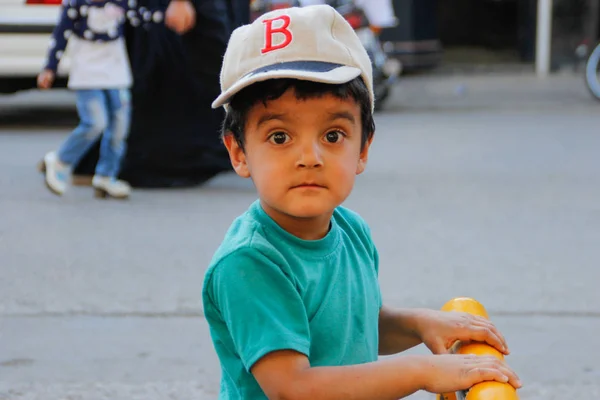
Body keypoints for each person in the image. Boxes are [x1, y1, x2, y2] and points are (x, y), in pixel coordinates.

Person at [202, 5, 522, 400]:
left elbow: (355, 326)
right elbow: (292, 386)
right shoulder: (250, 262)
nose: (310, 157)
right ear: (238, 152)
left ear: (363, 149)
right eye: (280, 137)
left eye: (333, 135)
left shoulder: (351, 230)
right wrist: (422, 371)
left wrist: (422, 325)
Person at [38, 0, 165, 198]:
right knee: (95, 123)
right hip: (87, 73)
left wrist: (163, 16)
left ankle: (106, 175)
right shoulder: (76, 4)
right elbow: (61, 34)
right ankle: (61, 160)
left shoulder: (123, 3)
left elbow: (143, 17)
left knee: (120, 125)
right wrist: (50, 67)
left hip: (116, 71)